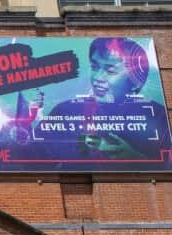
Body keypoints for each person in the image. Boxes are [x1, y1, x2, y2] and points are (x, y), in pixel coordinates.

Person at [33, 37, 167, 160]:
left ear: (136, 81)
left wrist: (137, 159)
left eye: (110, 71)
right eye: (94, 67)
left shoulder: (157, 116)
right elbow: (30, 156)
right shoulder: (66, 111)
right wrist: (24, 126)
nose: (97, 78)